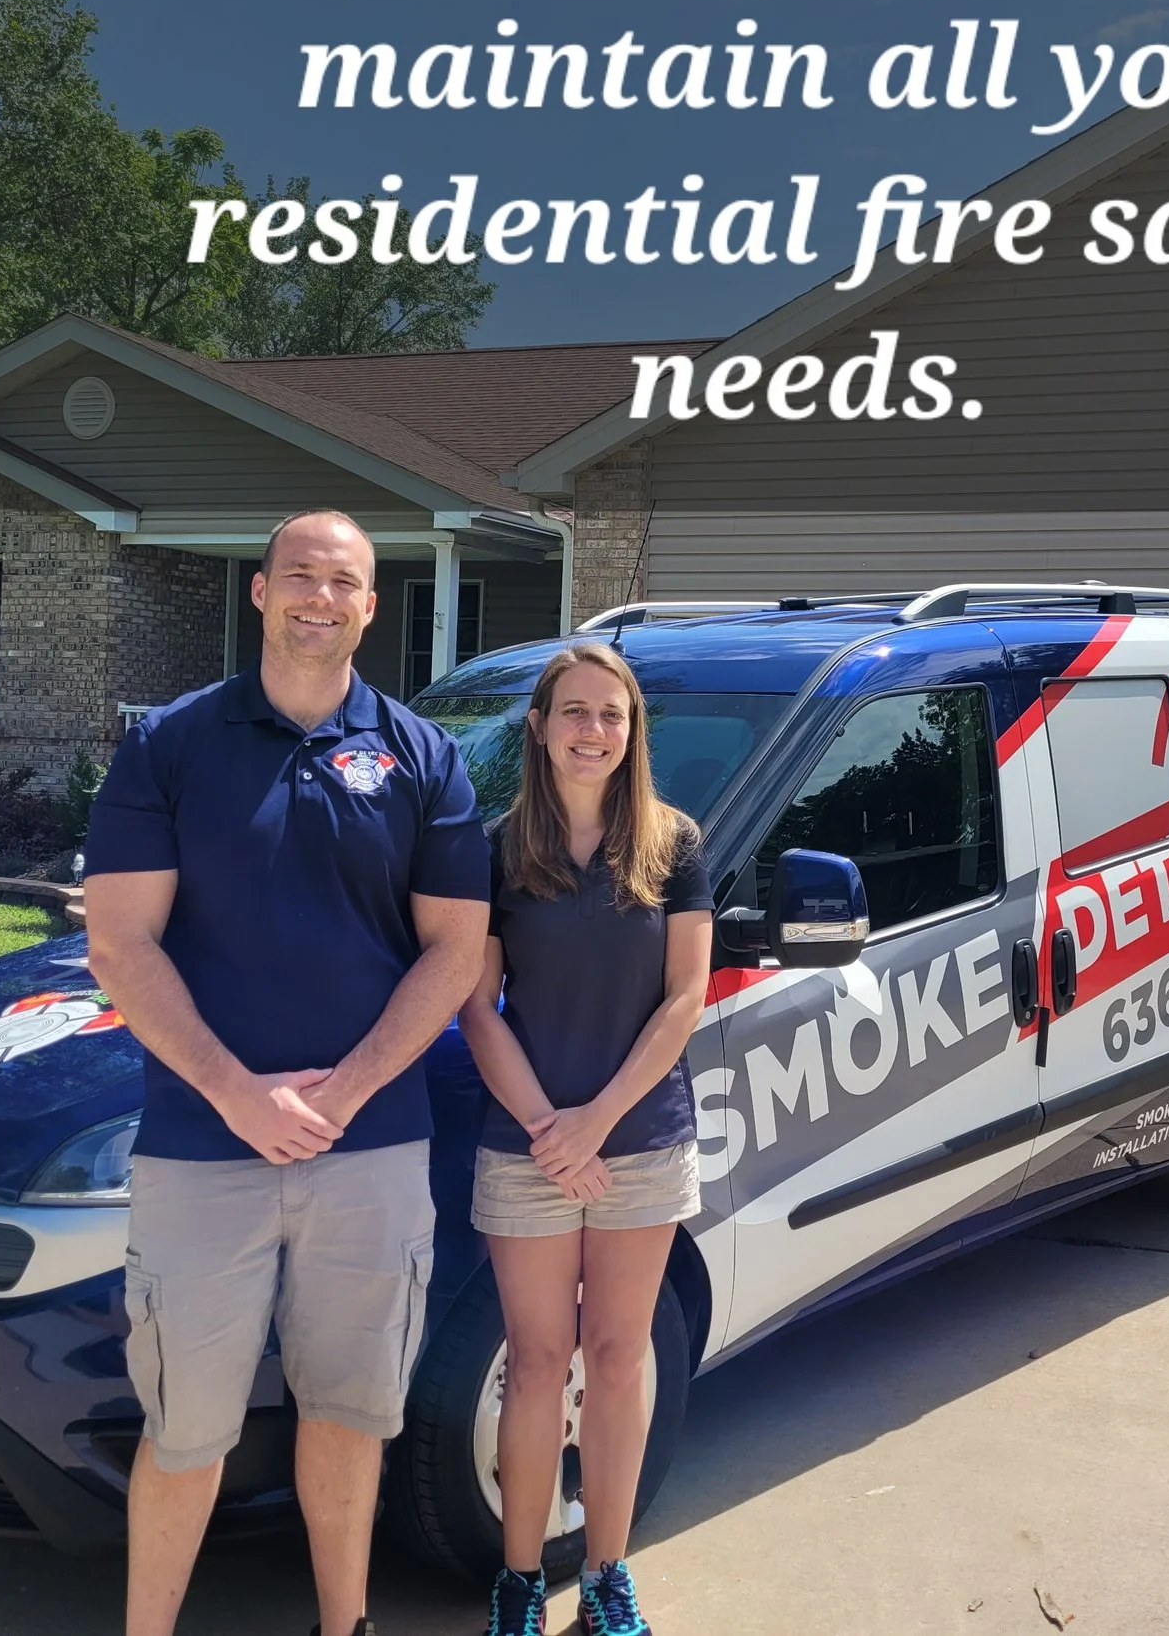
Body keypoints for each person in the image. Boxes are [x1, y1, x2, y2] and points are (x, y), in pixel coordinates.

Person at [86, 509, 490, 1636]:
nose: (322, 596)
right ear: (259, 592)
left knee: (353, 1415)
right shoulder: (170, 743)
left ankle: (343, 1623)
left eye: (345, 582)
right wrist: (233, 1092)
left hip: (370, 1150)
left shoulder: (423, 755)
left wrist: (344, 1092)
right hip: (200, 1150)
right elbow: (120, 943)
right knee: (185, 1429)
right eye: (300, 576)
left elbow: (456, 948)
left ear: (371, 605)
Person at [461, 643, 714, 1636]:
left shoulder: (673, 843)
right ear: (539, 724)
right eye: (574, 712)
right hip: (524, 1145)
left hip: (639, 1139)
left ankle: (608, 1573)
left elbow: (684, 996)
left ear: (632, 729)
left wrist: (593, 1122)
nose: (593, 730)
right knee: (535, 1362)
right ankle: (520, 1579)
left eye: (611, 715)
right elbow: (477, 1007)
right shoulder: (493, 850)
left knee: (615, 1359)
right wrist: (544, 1129)